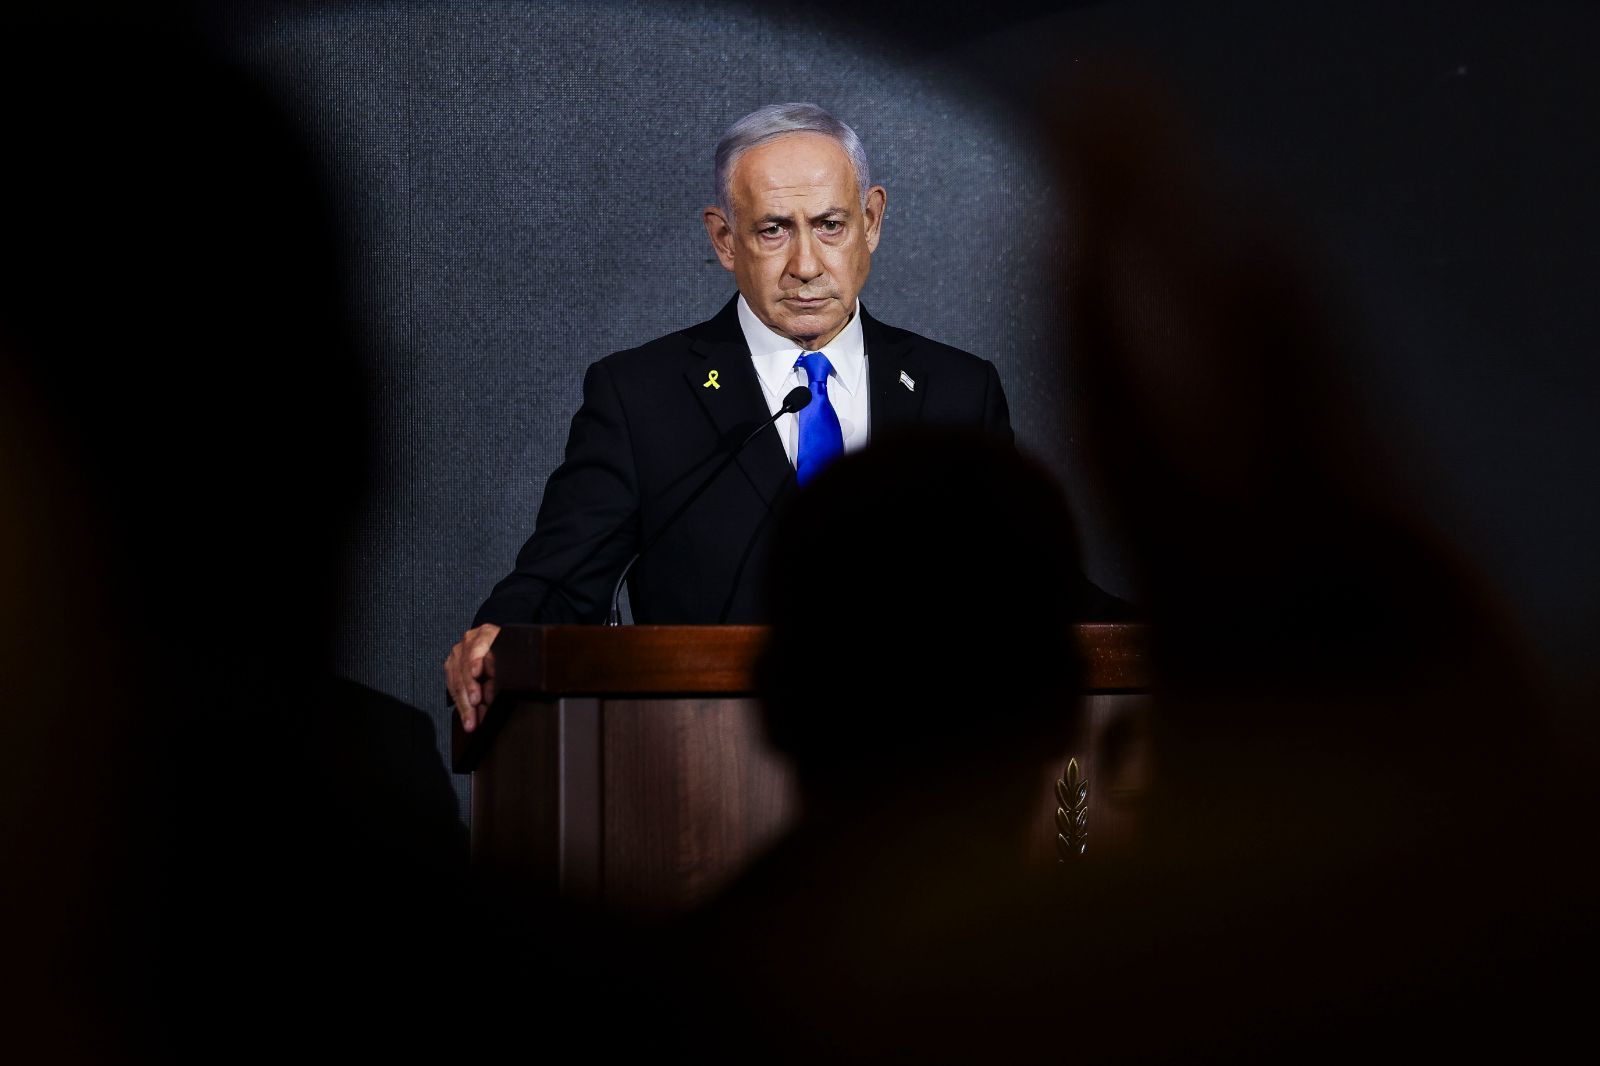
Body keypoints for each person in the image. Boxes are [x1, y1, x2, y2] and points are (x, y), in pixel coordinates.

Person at [447, 103, 1020, 731]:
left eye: (830, 225)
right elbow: (560, 583)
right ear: (724, 238)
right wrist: (500, 635)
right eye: (774, 230)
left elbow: (1027, 588)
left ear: (872, 220)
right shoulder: (642, 397)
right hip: (708, 757)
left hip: (919, 756)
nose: (806, 265)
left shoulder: (959, 392)